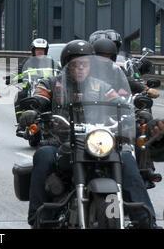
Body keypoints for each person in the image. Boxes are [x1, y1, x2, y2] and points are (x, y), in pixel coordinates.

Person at [27, 39, 158, 229]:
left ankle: (146, 220)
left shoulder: (100, 86)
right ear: (66, 64)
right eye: (76, 63)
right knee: (44, 155)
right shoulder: (51, 84)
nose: (80, 68)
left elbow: (120, 103)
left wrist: (137, 114)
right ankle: (40, 217)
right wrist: (33, 109)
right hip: (60, 140)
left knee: (126, 158)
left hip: (97, 140)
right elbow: (39, 97)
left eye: (85, 64)